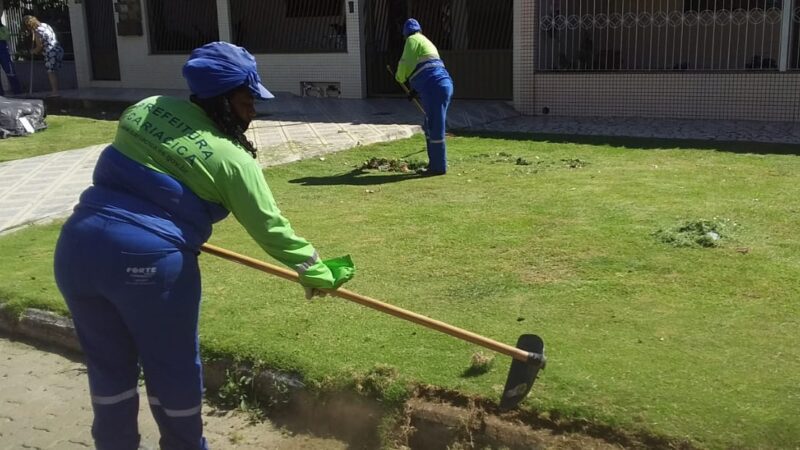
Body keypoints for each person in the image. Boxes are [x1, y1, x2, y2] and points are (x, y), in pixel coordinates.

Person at [53, 41, 355, 450]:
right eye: (249, 97)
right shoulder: (233, 162)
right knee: (172, 370)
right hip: (148, 266)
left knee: (108, 369)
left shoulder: (145, 108)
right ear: (225, 99)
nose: (254, 109)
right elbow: (270, 228)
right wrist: (316, 270)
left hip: (77, 246)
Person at [395, 18, 454, 176]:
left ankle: (438, 167)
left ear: (405, 33)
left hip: (435, 87)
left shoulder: (412, 40)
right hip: (442, 85)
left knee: (435, 126)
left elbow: (406, 63)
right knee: (430, 124)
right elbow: (424, 69)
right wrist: (415, 90)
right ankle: (434, 163)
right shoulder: (425, 41)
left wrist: (399, 77)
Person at [22, 15, 63, 97]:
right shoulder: (45, 25)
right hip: (58, 49)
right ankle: (56, 90)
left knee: (51, 72)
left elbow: (39, 47)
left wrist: (33, 51)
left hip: (50, 53)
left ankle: (55, 92)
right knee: (54, 71)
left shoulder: (37, 32)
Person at [0, 19, 23, 96]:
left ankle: (17, 91)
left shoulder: (2, 27)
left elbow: (6, 36)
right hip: (3, 51)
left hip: (3, 51)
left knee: (10, 71)